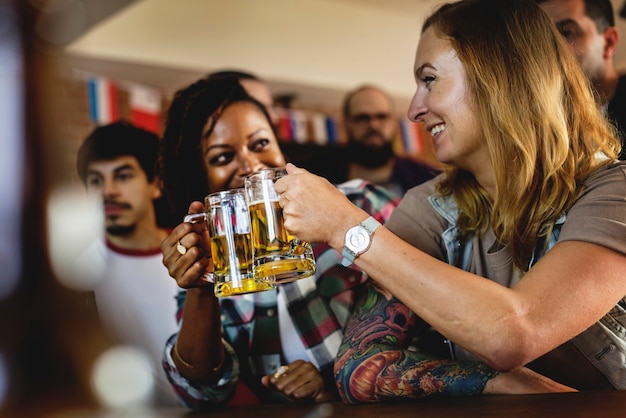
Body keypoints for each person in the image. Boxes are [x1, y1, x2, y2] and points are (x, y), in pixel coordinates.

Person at [274, 0, 626, 402]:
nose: (413, 110)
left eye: (429, 79)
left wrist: (347, 227)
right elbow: (356, 365)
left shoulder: (612, 193)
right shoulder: (430, 207)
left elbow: (515, 331)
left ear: (499, 76)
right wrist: (496, 382)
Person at [157, 75, 400, 409]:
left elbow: (431, 311)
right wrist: (200, 287)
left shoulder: (359, 201)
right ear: (202, 178)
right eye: (223, 157)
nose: (252, 165)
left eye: (259, 144)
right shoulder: (211, 262)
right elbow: (202, 392)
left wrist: (334, 381)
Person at [74, 120, 181, 406]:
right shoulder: (75, 274)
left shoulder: (193, 254)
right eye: (96, 180)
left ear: (155, 184)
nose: (108, 191)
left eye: (122, 176)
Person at [537, 0, 626, 160]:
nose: (549, 48)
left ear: (609, 42)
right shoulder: (541, 122)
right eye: (543, 37)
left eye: (565, 32)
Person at [338, 84, 441, 197]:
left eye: (382, 117)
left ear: (393, 123)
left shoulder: (429, 181)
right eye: (362, 118)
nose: (373, 125)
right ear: (346, 124)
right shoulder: (322, 179)